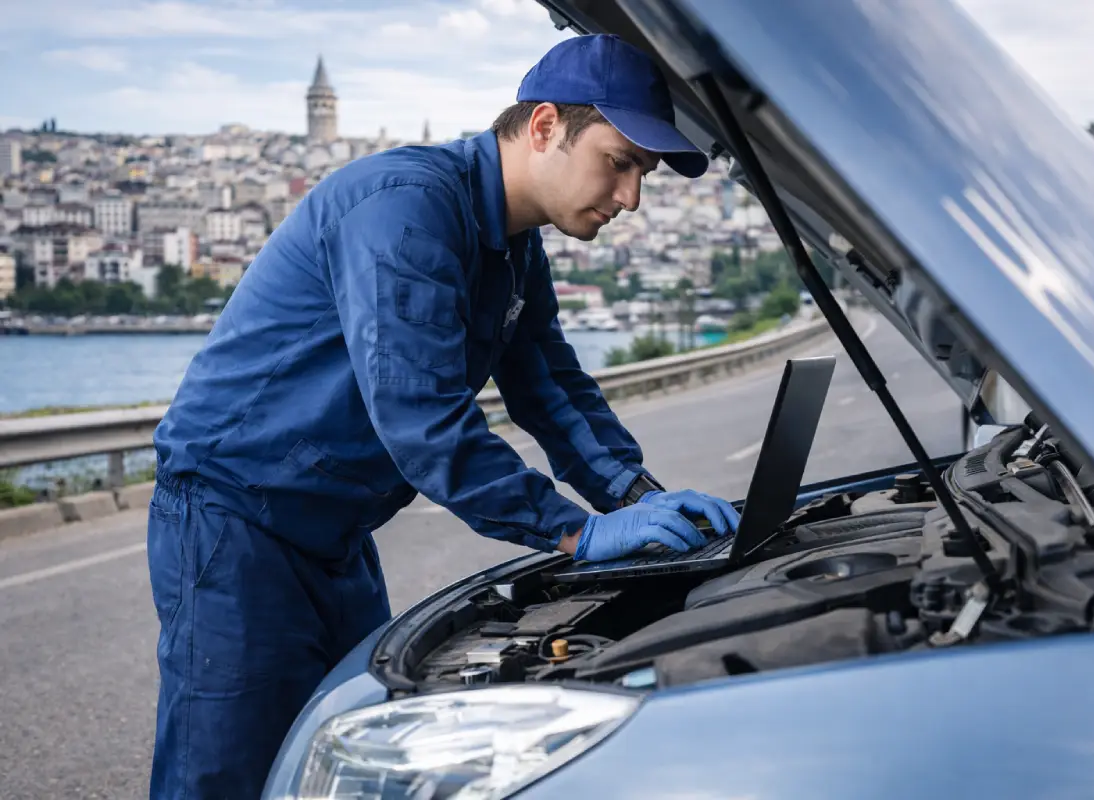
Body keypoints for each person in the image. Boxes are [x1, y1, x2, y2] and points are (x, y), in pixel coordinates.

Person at [146, 33, 740, 798]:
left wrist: (635, 496)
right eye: (620, 162)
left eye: (644, 175)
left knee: (348, 761)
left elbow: (550, 387)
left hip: (333, 533)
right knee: (222, 776)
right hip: (233, 521)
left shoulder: (514, 247)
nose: (631, 198)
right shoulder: (407, 209)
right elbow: (421, 419)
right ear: (545, 126)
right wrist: (575, 532)